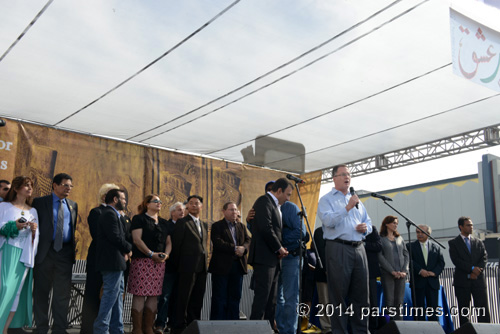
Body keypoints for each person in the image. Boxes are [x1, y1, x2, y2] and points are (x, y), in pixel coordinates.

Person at [317, 164, 372, 334]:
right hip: (338, 248)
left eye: (349, 174)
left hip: (359, 248)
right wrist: (347, 207)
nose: (347, 177)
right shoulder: (326, 200)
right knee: (339, 296)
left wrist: (366, 228)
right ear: (334, 178)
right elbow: (328, 221)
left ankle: (361, 331)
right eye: (343, 174)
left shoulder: (356, 200)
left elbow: (369, 222)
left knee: (362, 296)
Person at [32, 173, 78, 334]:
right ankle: (41, 327)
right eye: (65, 185)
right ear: (55, 185)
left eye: (70, 186)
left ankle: (59, 328)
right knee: (41, 292)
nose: (68, 189)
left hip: (64, 253)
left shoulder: (73, 205)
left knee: (62, 294)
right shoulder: (39, 202)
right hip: (46, 252)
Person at [248, 178, 291, 323]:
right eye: (288, 194)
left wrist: (280, 249)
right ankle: (255, 329)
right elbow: (265, 228)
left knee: (271, 300)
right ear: (279, 191)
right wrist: (279, 248)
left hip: (273, 259)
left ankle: (268, 328)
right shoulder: (263, 201)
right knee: (262, 297)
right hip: (263, 258)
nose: (288, 198)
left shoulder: (276, 205)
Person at [0, 176, 39, 333]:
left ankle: (4, 329)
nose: (29, 188)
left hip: (24, 254)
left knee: (15, 293)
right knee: (5, 288)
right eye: (26, 186)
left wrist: (34, 231)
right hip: (7, 250)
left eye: (30, 186)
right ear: (16, 189)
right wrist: (14, 226)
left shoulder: (33, 210)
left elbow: (36, 238)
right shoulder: (4, 207)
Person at [80, 183, 120, 334]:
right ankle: (88, 329)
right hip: (98, 259)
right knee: (93, 293)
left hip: (114, 262)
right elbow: (99, 236)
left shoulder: (119, 214)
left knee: (110, 296)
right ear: (105, 197)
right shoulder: (97, 212)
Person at [128, 194, 170, 334]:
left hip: (159, 263)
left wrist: (166, 255)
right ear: (147, 204)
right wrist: (151, 254)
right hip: (142, 261)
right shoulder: (139, 219)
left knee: (154, 295)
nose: (159, 203)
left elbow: (169, 242)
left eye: (160, 201)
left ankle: (148, 327)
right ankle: (137, 329)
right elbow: (137, 240)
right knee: (139, 294)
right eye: (155, 201)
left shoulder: (164, 222)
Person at [93, 189, 132, 334]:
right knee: (110, 295)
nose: (125, 202)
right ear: (115, 199)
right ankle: (101, 329)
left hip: (118, 261)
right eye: (122, 198)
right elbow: (115, 237)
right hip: (111, 262)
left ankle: (117, 329)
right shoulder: (109, 214)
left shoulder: (116, 215)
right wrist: (128, 248)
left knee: (117, 296)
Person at [170, 195, 208, 334]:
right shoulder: (183, 222)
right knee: (183, 298)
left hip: (202, 268)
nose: (193, 205)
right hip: (186, 268)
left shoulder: (203, 224)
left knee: (197, 298)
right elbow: (177, 246)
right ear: (187, 206)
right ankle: (179, 326)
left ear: (201, 206)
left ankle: (194, 325)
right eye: (190, 203)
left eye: (196, 203)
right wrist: (179, 266)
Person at [208, 201, 251, 320]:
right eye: (231, 209)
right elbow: (217, 242)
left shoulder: (241, 226)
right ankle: (217, 325)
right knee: (219, 297)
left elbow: (248, 241)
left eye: (236, 210)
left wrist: (244, 249)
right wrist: (234, 248)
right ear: (224, 211)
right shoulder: (217, 226)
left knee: (235, 297)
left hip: (238, 266)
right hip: (222, 267)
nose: (234, 212)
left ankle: (233, 324)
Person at [448, 217, 491, 327]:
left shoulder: (479, 242)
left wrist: (477, 271)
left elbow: (484, 258)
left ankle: (486, 330)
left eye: (471, 225)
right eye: (468, 225)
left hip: (478, 281)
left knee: (482, 309)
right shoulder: (453, 243)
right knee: (464, 311)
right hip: (462, 282)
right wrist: (472, 269)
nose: (471, 227)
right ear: (460, 227)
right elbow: (456, 260)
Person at [276, 201, 307, 334]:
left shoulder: (290, 207)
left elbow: (301, 232)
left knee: (291, 298)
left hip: (291, 257)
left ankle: (290, 331)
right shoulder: (267, 207)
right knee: (276, 298)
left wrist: (278, 240)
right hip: (275, 259)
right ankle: (282, 329)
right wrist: (249, 221)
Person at [154, 202, 185, 334]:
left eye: (183, 210)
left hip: (182, 268)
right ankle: (160, 324)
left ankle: (173, 324)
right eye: (179, 210)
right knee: (165, 297)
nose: (182, 212)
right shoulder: (166, 225)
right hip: (168, 267)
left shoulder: (186, 225)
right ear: (172, 213)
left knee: (178, 298)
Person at [408, 225, 444, 321]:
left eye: (422, 232)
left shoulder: (436, 247)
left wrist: (434, 273)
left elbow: (441, 263)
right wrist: (420, 270)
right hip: (418, 283)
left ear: (428, 233)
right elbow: (409, 261)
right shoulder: (410, 247)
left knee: (433, 311)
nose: (419, 234)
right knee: (419, 311)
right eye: (417, 232)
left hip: (432, 283)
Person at [378, 216, 409, 321]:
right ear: (386, 224)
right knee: (389, 300)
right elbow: (380, 257)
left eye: (397, 223)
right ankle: (390, 325)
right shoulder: (381, 238)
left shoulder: (399, 238)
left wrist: (404, 270)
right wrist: (391, 271)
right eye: (393, 223)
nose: (395, 225)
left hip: (401, 274)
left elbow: (406, 254)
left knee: (399, 301)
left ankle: (399, 324)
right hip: (388, 274)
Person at [312, 227, 331, 334]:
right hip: (323, 273)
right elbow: (320, 252)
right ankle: (327, 327)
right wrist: (327, 269)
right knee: (324, 301)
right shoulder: (319, 231)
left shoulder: (339, 230)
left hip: (338, 273)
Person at [364, 225, 381, 333]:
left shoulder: (371, 228)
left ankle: (373, 327)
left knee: (373, 301)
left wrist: (364, 244)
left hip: (370, 271)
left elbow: (378, 246)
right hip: (354, 270)